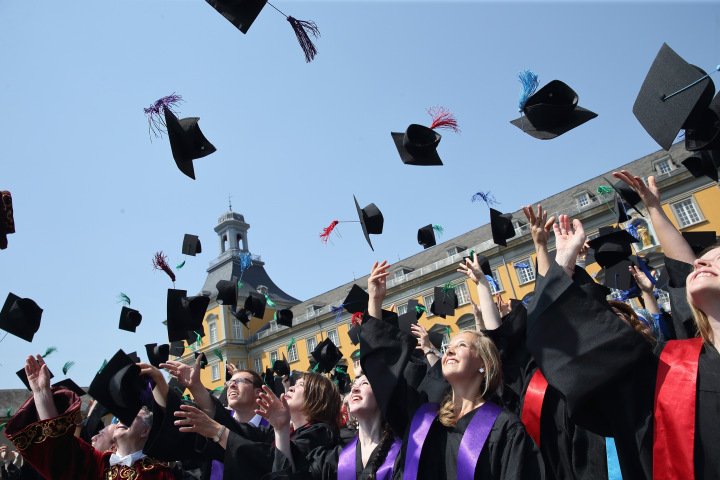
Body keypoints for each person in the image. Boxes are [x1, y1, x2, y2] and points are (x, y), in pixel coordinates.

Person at [527, 212, 720, 480]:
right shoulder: (667, 371)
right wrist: (565, 259)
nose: (699, 262)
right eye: (700, 260)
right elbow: (556, 330)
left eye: (718, 259)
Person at [361, 260, 545, 479]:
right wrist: (375, 300)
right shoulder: (426, 420)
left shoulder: (504, 428)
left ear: (484, 364)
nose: (449, 350)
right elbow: (384, 375)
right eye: (449, 346)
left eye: (462, 345)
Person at [4, 354, 175, 480]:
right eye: (120, 418)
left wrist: (159, 381)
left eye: (134, 416)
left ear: (145, 431)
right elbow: (59, 450)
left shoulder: (159, 474)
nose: (122, 420)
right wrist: (42, 394)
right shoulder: (96, 464)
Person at [166, 369, 342, 479]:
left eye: (301, 385)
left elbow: (268, 459)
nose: (291, 387)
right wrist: (197, 388)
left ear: (317, 397)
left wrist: (218, 432)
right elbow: (239, 431)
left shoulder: (320, 434)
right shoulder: (282, 431)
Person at [259, 373, 401, 479]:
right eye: (353, 385)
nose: (354, 389)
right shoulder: (333, 459)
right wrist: (281, 430)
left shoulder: (402, 452)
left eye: (364, 383)